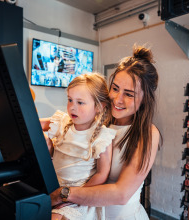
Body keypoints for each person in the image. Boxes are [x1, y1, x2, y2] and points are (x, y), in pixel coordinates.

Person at [49, 45, 161, 220]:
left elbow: (121, 193)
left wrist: (64, 194)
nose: (117, 99)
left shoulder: (148, 134)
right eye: (115, 89)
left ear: (145, 99)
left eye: (129, 94)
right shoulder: (98, 120)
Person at [41, 73, 117, 220]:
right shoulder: (62, 122)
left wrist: (73, 195)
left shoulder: (103, 136)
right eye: (70, 100)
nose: (72, 107)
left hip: (78, 197)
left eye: (80, 102)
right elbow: (32, 123)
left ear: (99, 107)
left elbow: (101, 174)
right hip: (52, 189)